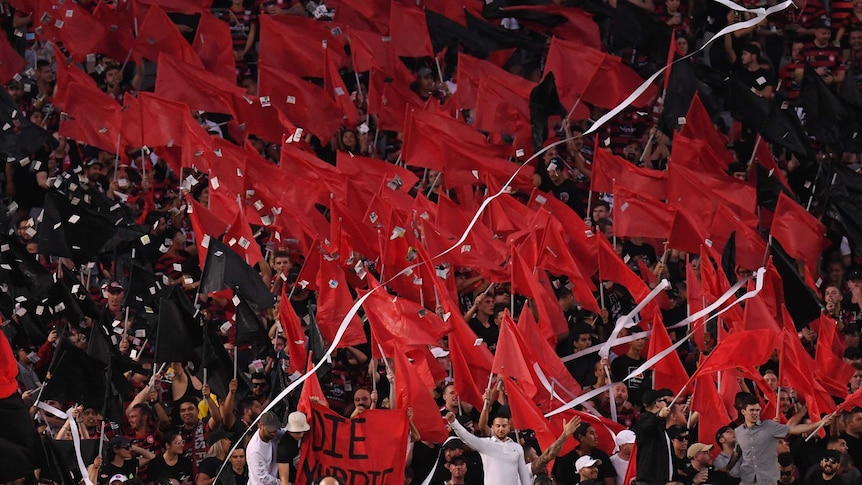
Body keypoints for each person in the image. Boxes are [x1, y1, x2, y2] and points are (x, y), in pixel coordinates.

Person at [735, 394, 832, 485]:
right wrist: (727, 468)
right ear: (743, 411)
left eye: (757, 410)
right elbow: (737, 452)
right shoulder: (738, 432)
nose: (755, 413)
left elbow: (794, 428)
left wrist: (819, 423)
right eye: (752, 410)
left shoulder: (769, 427)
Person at [446, 408, 532, 485]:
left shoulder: (517, 447)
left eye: (504, 426)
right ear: (493, 428)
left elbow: (524, 475)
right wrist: (454, 423)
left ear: (509, 428)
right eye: (498, 426)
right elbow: (467, 437)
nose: (501, 429)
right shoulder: (485, 444)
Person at [633, 388, 675, 485]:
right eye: (663, 401)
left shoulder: (659, 424)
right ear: (657, 403)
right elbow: (647, 427)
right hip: (649, 480)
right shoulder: (644, 419)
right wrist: (659, 417)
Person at [247, 411, 284, 485]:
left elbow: (285, 432)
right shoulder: (255, 450)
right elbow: (264, 478)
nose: (273, 433)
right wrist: (283, 483)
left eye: (275, 429)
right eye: (270, 430)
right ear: (260, 426)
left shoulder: (273, 434)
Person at [275, 411, 310, 485]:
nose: (301, 435)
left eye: (303, 431)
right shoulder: (284, 447)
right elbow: (284, 480)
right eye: (297, 432)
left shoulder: (306, 436)